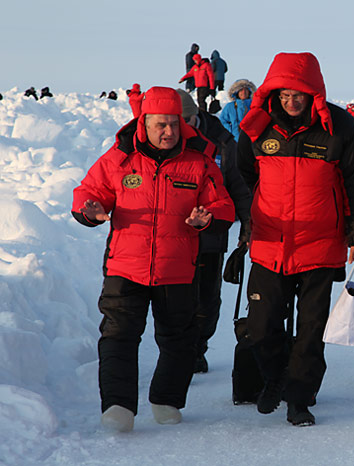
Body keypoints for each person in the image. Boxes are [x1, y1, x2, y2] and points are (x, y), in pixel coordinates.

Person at [71, 86, 236, 433]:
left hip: (177, 266)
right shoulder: (119, 158)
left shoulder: (198, 161)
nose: (169, 132)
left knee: (178, 338)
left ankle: (166, 399)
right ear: (143, 123)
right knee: (118, 334)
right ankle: (118, 406)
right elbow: (89, 191)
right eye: (161, 125)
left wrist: (208, 218)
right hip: (125, 266)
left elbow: (222, 204)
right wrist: (91, 210)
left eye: (174, 125)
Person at [237, 52, 354, 427]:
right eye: (283, 95)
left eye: (299, 94)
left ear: (314, 92)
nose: (291, 102)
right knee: (262, 325)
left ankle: (299, 398)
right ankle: (275, 378)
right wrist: (256, 212)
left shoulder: (339, 127)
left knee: (310, 329)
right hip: (269, 245)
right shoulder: (258, 126)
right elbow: (244, 174)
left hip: (320, 245)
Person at [176, 89, 252, 373]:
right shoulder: (164, 140)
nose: (179, 128)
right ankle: (179, 350)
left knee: (207, 296)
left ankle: (198, 348)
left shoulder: (222, 141)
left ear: (197, 115)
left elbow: (239, 186)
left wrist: (248, 226)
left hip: (210, 235)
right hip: (172, 236)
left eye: (186, 120)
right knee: (177, 298)